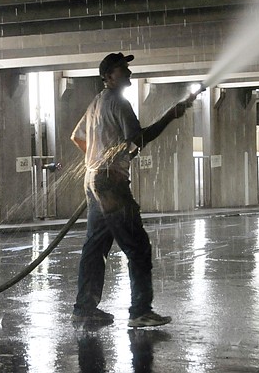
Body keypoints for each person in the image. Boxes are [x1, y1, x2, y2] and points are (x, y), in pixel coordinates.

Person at [71, 52, 192, 327]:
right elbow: (140, 138)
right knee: (137, 246)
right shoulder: (118, 101)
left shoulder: (96, 103)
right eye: (122, 69)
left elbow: (77, 138)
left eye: (127, 68)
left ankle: (84, 308)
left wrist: (103, 158)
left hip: (93, 180)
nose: (128, 73)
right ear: (108, 76)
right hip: (111, 183)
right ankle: (140, 311)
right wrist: (169, 116)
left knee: (95, 247)